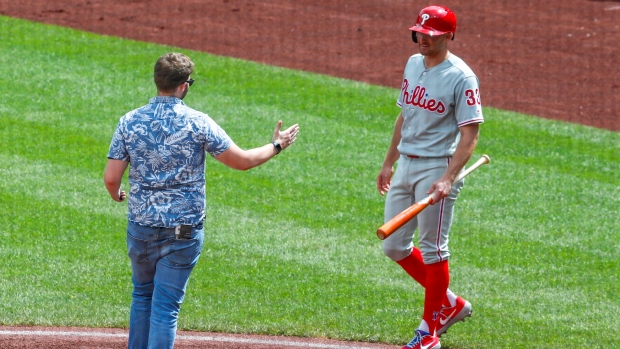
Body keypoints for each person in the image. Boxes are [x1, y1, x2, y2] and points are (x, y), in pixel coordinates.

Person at [103, 52, 300, 349]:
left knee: (142, 296)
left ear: (158, 81)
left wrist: (115, 193)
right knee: (166, 307)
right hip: (183, 231)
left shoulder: (129, 121)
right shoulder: (198, 122)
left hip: (142, 227)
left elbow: (110, 177)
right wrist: (277, 145)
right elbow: (242, 161)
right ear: (183, 85)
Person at [375, 5, 483, 349]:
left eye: (432, 35)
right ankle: (450, 304)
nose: (423, 39)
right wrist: (388, 162)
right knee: (393, 245)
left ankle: (429, 333)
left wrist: (449, 178)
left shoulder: (461, 77)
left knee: (434, 249)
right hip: (406, 163)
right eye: (419, 33)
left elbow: (470, 134)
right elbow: (404, 115)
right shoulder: (412, 63)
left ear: (449, 35)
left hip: (438, 168)